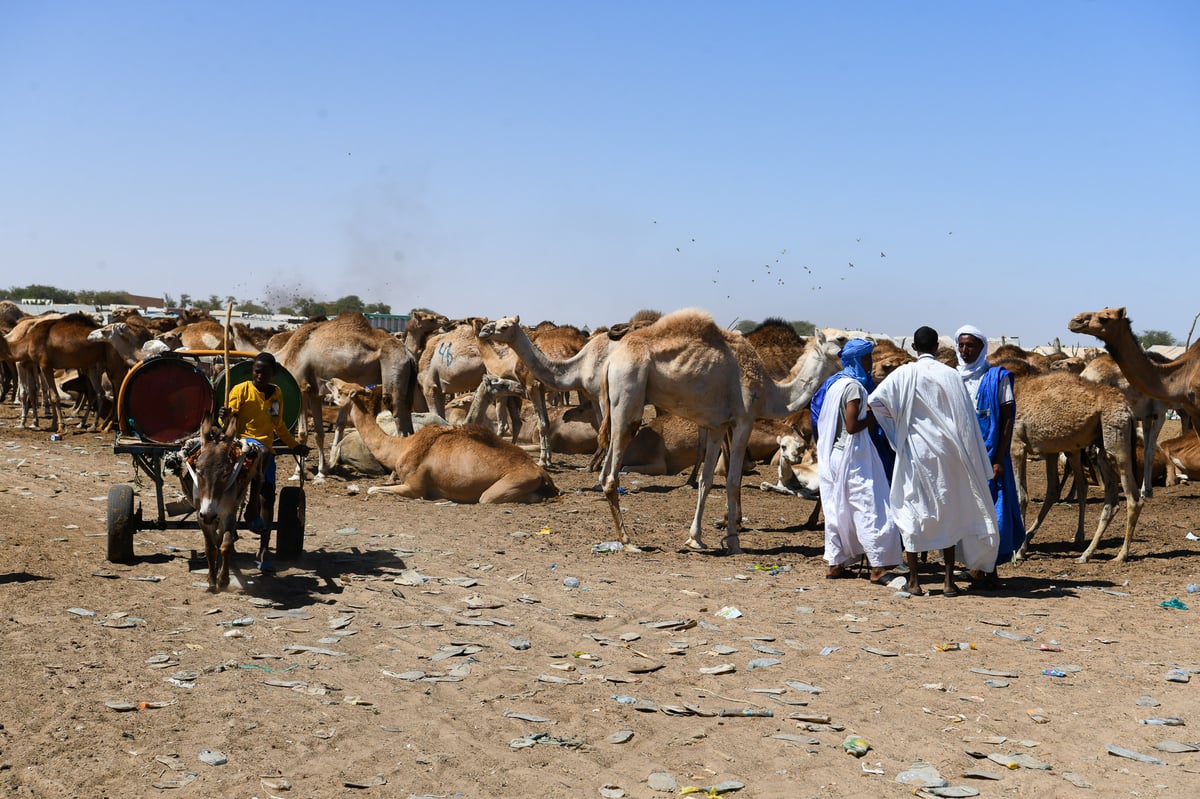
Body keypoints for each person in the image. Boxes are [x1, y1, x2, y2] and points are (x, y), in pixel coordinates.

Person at [867, 326, 998, 597]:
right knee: (946, 511)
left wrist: (899, 423)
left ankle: (915, 581)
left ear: (914, 348)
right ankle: (949, 582)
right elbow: (965, 419)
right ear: (937, 347)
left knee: (913, 512)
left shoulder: (903, 373)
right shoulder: (952, 375)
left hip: (915, 453)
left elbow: (876, 402)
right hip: (947, 453)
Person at [811, 338, 903, 582]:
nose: (870, 363)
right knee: (869, 508)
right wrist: (876, 418)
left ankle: (835, 563)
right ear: (856, 360)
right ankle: (878, 566)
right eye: (866, 358)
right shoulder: (854, 387)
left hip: (834, 455)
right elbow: (853, 426)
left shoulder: (833, 384)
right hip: (852, 457)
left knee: (837, 509)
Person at [219, 351, 308, 570]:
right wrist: (224, 414)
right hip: (242, 445)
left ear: (273, 373)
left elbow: (278, 426)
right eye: (257, 372)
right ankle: (245, 514)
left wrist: (294, 445)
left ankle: (263, 549)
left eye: (265, 373)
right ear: (252, 372)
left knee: (268, 496)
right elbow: (229, 420)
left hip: (265, 447)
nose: (260, 376)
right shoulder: (240, 390)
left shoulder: (276, 394)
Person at [955, 325, 1026, 587]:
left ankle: (989, 569)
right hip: (963, 457)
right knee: (967, 513)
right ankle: (976, 567)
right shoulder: (953, 377)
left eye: (971, 346)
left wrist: (998, 458)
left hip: (990, 456)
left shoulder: (998, 378)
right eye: (961, 345)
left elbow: (1007, 420)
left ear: (981, 347)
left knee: (992, 514)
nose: (965, 351)